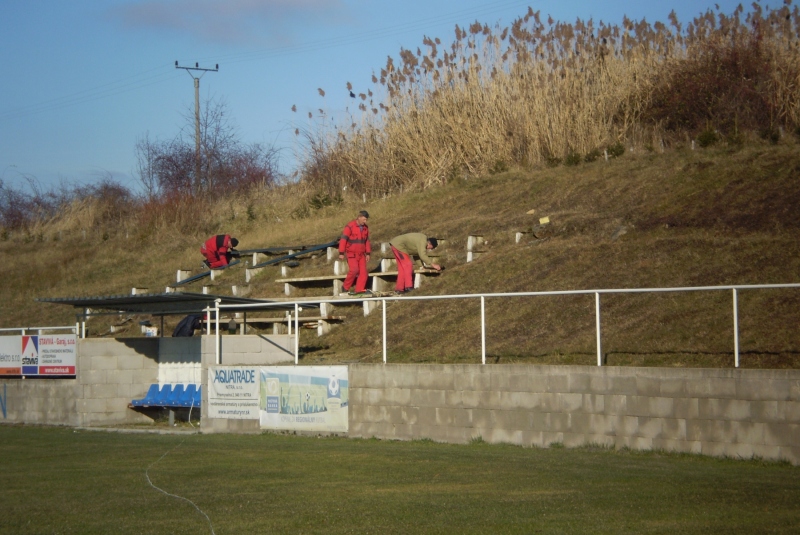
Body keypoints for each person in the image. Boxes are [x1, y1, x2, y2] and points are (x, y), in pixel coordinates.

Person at [339, 210, 372, 296]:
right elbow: (343, 240)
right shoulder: (350, 226)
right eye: (364, 219)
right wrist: (341, 252)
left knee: (364, 273)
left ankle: (359, 290)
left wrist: (368, 253)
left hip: (362, 255)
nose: (365, 221)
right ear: (359, 217)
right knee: (354, 270)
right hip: (351, 254)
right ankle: (345, 287)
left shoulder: (365, 228)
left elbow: (367, 241)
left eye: (366, 220)